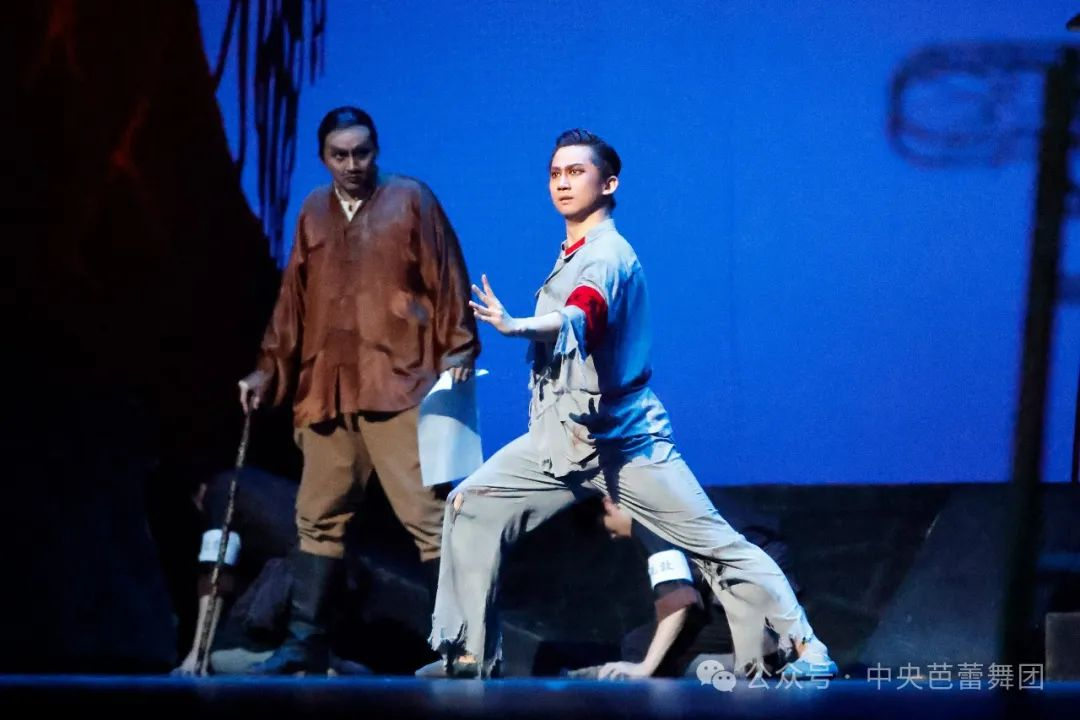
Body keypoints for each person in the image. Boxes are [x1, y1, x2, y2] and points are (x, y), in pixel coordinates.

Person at [418, 129, 835, 680]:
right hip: (561, 440)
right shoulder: (573, 252)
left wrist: (518, 325)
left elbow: (584, 311)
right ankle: (468, 656)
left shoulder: (609, 254)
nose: (563, 182)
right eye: (556, 173)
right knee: (471, 503)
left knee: (715, 544)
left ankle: (806, 649)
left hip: (623, 444)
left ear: (609, 183)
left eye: (576, 172)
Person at [238, 106, 480, 675]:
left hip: (399, 383)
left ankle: (461, 646)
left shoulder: (410, 199)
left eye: (362, 152)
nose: (352, 164)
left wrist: (458, 352)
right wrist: (267, 371)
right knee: (317, 517)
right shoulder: (312, 211)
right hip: (328, 388)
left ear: (376, 150)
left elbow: (448, 279)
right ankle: (306, 642)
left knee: (429, 517)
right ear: (323, 157)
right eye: (339, 155)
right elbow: (292, 303)